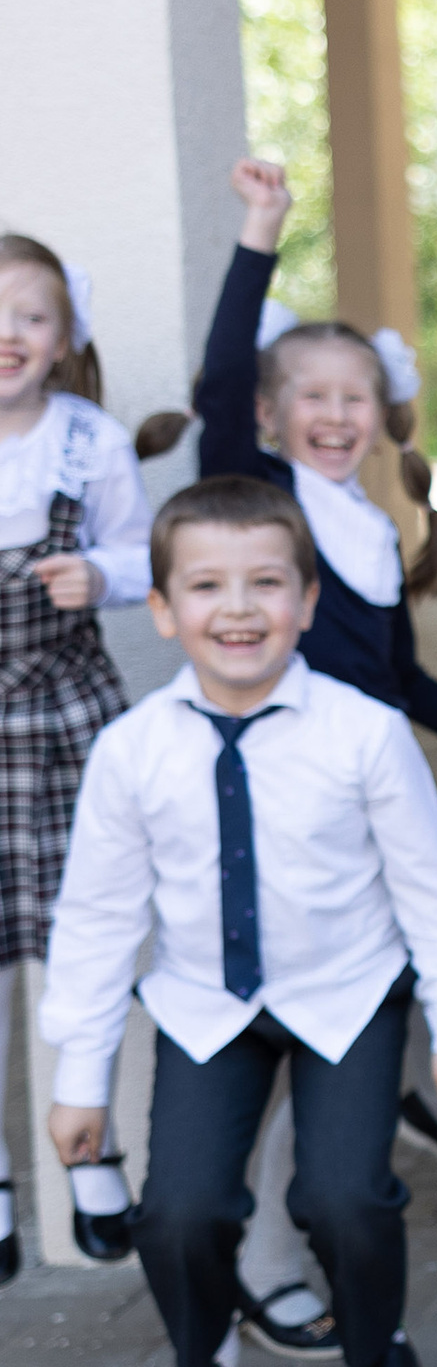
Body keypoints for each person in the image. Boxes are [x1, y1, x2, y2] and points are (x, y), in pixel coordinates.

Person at [41, 478, 437, 1367]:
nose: (238, 608)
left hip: (348, 995)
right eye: (205, 585)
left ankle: (381, 1345)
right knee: (179, 1210)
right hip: (208, 1006)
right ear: (162, 608)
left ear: (309, 600)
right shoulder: (132, 753)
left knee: (343, 1197)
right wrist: (78, 1081)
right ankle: (202, 1360)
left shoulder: (365, 731)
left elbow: (431, 886)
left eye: (265, 583)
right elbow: (96, 921)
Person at [191, 159, 437, 1360]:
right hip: (269, 805)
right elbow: (220, 381)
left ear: (387, 414)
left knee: (352, 1012)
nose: (336, 414)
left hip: (363, 805)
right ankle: (245, 1268)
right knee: (265, 1047)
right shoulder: (260, 494)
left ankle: (383, 1117)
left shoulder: (375, 536)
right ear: (277, 417)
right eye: (313, 395)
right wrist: (259, 235)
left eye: (358, 396)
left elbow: (406, 684)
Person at [0, 234, 159, 1282]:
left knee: (90, 936)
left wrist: (97, 573)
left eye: (30, 317)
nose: (7, 336)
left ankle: (92, 1152)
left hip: (62, 718)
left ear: (65, 340)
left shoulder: (85, 439)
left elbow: (147, 551)